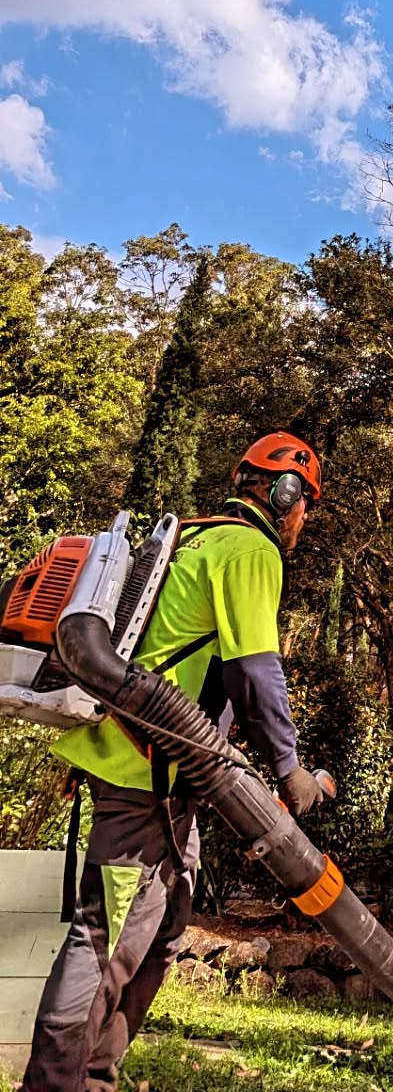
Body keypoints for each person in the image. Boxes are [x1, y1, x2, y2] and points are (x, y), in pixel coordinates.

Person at [23, 432, 326, 1092]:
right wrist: (290, 769)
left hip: (156, 770)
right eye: (305, 502)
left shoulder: (196, 535)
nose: (303, 517)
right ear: (287, 496)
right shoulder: (251, 549)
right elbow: (255, 673)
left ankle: (94, 1075)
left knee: (162, 926)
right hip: (143, 775)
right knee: (107, 938)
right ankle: (52, 1084)